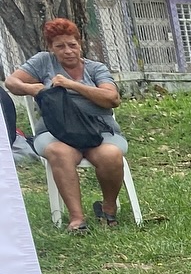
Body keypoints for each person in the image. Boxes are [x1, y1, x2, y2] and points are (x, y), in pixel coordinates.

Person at [3, 18, 127, 232]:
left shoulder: (96, 68)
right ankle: (77, 220)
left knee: (111, 155)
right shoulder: (43, 61)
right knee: (60, 152)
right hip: (56, 131)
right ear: (51, 48)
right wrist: (33, 89)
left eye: (72, 45)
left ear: (80, 45)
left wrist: (71, 84)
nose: (68, 51)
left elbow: (112, 98)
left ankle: (107, 209)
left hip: (98, 130)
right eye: (60, 46)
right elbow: (11, 82)